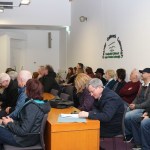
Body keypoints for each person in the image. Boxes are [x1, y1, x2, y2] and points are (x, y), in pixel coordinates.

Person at [0, 79, 51, 149]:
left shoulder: (32, 107)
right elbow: (25, 123)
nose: (24, 88)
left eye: (26, 87)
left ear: (29, 90)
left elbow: (23, 131)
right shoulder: (38, 103)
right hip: (29, 138)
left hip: (23, 140)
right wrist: (12, 122)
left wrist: (9, 124)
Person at [124, 68, 150, 149]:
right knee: (126, 111)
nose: (141, 74)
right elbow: (137, 97)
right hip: (140, 107)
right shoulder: (142, 85)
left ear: (149, 74)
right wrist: (133, 104)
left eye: (143, 73)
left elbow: (148, 103)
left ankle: (129, 134)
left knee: (128, 116)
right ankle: (136, 141)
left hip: (144, 108)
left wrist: (136, 106)